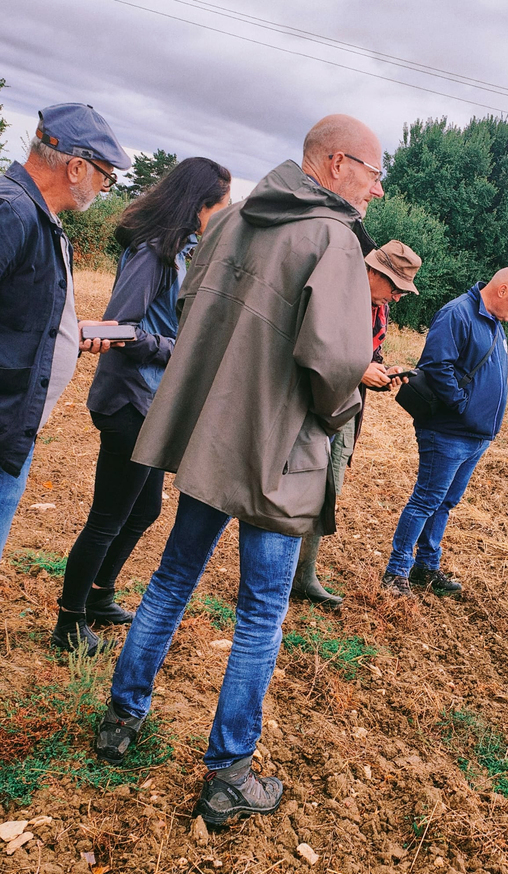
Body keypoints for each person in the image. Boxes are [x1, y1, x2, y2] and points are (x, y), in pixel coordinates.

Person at [95, 114, 383, 827]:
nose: (377, 189)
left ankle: (119, 721)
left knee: (170, 579)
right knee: (259, 612)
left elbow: (194, 310)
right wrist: (343, 407)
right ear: (337, 163)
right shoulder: (334, 240)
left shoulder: (230, 222)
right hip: (278, 455)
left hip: (209, 435)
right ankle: (228, 777)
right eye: (375, 173)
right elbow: (335, 364)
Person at [53, 158, 232, 655]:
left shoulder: (180, 252)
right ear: (199, 206)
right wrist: (181, 348)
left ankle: (99, 596)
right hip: (129, 401)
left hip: (153, 402)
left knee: (145, 509)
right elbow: (119, 326)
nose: (225, 214)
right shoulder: (153, 253)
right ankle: (68, 625)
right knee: (108, 516)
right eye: (222, 205)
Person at [0, 103, 132, 558]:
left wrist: (70, 335)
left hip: (13, 428)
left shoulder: (42, 220)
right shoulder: (12, 212)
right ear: (76, 166)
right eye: (105, 174)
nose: (105, 186)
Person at [381, 268, 508, 597]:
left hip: (475, 437)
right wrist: (462, 406)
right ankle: (396, 572)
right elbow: (437, 366)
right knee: (426, 500)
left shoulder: (493, 323)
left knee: (445, 503)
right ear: (502, 290)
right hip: (449, 432)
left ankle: (426, 568)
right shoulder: (457, 313)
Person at [291, 240, 422, 609]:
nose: (396, 298)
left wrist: (384, 371)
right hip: (312, 410)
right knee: (298, 489)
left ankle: (303, 576)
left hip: (346, 410)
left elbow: (368, 357)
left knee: (327, 490)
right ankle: (282, 576)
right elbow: (310, 348)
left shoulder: (377, 310)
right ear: (373, 271)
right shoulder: (335, 294)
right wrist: (358, 370)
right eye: (394, 287)